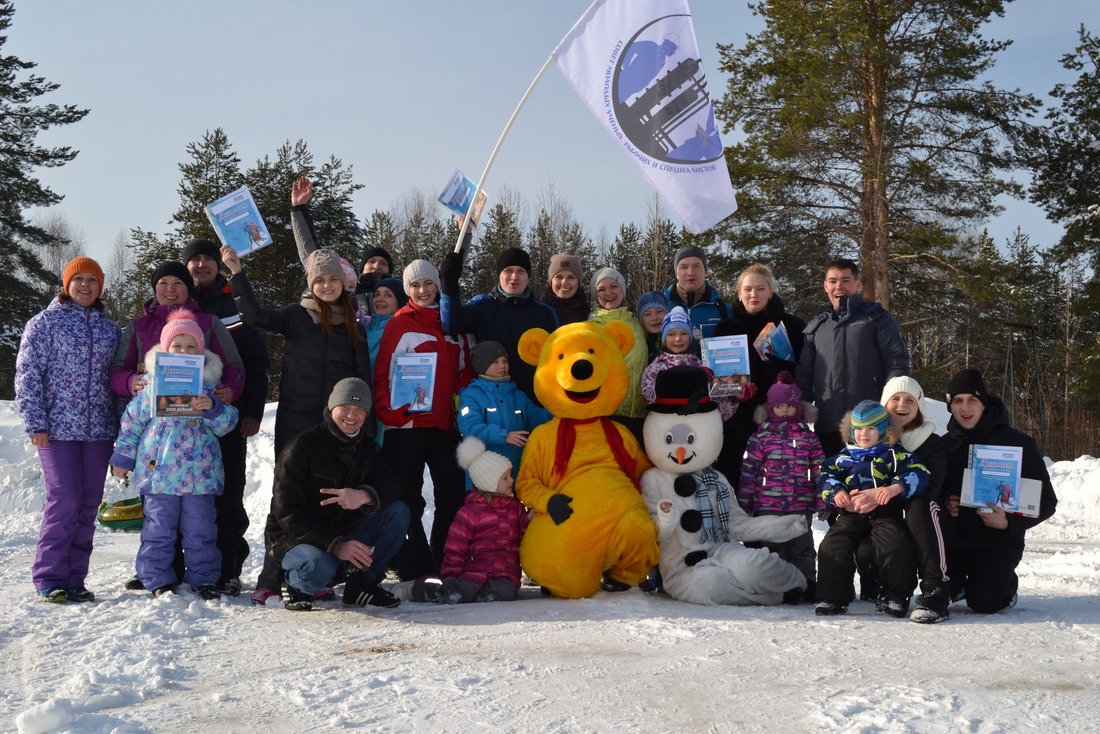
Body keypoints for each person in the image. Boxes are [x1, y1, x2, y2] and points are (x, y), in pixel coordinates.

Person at [109, 311, 239, 599]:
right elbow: (131, 423)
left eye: (191, 346)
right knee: (158, 530)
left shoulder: (209, 389)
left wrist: (214, 408)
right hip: (159, 475)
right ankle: (156, 578)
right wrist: (122, 458)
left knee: (201, 530)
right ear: (165, 350)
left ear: (202, 352)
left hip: (200, 475)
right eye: (177, 346)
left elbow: (228, 424)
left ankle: (204, 578)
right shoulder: (151, 386)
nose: (184, 351)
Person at [15, 257, 121, 603]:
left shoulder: (110, 330)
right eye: (79, 280)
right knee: (64, 500)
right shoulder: (44, 323)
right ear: (66, 284)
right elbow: (28, 375)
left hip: (99, 432)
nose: (86, 285)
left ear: (101, 286)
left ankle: (75, 578)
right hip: (56, 430)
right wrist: (36, 422)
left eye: (93, 280)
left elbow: (115, 381)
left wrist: (121, 428)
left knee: (89, 504)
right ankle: (49, 576)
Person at [268, 378, 410, 611]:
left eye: (359, 410)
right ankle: (295, 584)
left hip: (345, 532)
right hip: (298, 539)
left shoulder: (368, 448)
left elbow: (394, 485)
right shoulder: (302, 447)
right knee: (318, 567)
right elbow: (287, 515)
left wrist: (366, 495)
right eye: (345, 407)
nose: (351, 416)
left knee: (398, 512)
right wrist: (335, 545)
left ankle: (361, 585)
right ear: (332, 407)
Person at [375, 260, 474, 580]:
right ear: (407, 290)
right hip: (407, 425)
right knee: (407, 496)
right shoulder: (398, 324)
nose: (422, 290)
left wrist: (460, 403)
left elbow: (466, 370)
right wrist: (388, 411)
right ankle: (412, 563)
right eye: (415, 285)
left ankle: (444, 557)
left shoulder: (454, 324)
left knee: (451, 494)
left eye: (428, 284)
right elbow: (382, 375)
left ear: (437, 286)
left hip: (445, 425)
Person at [184, 238, 270, 596]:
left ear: (218, 265)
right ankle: (178, 566)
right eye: (195, 260)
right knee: (180, 494)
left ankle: (230, 567)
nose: (201, 265)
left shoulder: (232, 303)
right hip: (180, 420)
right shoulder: (177, 301)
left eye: (207, 259)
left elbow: (256, 360)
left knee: (228, 491)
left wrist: (252, 411)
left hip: (228, 417)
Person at [940, 368, 1058, 614]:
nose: (965, 408)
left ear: (984, 404)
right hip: (955, 541)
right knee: (945, 589)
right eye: (958, 401)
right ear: (950, 406)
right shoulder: (943, 446)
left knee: (984, 603)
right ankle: (957, 583)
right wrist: (946, 502)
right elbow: (928, 494)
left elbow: (1047, 501)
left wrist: (1007, 522)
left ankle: (1007, 585)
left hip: (998, 542)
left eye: (973, 400)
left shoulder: (1018, 443)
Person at [815, 400, 930, 618]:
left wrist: (896, 488)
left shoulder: (893, 454)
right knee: (833, 544)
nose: (863, 434)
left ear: (883, 430)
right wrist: (836, 492)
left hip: (885, 512)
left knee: (896, 543)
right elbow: (825, 477)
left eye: (870, 429)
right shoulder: (843, 457)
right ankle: (832, 597)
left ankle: (895, 596)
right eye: (858, 429)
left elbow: (919, 471)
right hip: (852, 513)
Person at [795, 258, 910, 456]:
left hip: (871, 427)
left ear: (857, 283)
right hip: (829, 426)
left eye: (845, 280)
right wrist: (797, 417)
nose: (838, 286)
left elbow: (897, 363)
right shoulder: (817, 328)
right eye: (832, 281)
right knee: (833, 484)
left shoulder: (877, 319)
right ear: (825, 286)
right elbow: (804, 377)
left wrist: (891, 407)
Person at [398, 437, 529, 604]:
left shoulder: (515, 507)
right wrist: (451, 575)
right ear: (488, 482)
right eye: (505, 478)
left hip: (505, 574)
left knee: (505, 592)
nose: (511, 480)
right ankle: (422, 590)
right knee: (459, 592)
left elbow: (524, 536)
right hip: (474, 572)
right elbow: (455, 546)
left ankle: (479, 596)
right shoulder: (470, 512)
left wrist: (529, 522)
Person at [713, 263, 807, 483]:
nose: (753, 294)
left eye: (760, 288)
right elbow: (717, 380)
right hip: (736, 421)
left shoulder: (792, 326)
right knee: (735, 478)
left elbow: (806, 370)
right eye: (747, 289)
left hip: (780, 417)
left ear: (771, 292)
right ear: (739, 293)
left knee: (779, 480)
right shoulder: (724, 330)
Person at [738, 371, 825, 602]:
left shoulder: (809, 438)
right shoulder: (760, 439)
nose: (784, 411)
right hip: (769, 505)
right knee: (775, 550)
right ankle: (782, 587)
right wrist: (745, 503)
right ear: (770, 409)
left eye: (789, 406)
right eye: (779, 407)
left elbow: (819, 470)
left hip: (800, 503)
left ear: (798, 407)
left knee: (802, 548)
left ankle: (807, 585)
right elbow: (749, 472)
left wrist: (822, 499)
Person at [109, 260, 245, 405]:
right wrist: (129, 381)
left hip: (201, 414)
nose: (170, 289)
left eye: (178, 283)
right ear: (155, 288)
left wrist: (230, 389)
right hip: (150, 417)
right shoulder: (138, 327)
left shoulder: (210, 323)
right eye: (163, 283)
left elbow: (234, 365)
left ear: (188, 288)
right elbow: (117, 370)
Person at [440, 242, 559, 403]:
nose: (514, 277)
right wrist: (449, 284)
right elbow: (452, 324)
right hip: (492, 402)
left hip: (534, 402)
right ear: (499, 274)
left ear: (528, 275)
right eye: (508, 271)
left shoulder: (544, 313)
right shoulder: (483, 305)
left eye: (521, 271)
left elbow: (557, 357)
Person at [457, 340, 552, 490]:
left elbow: (537, 419)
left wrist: (556, 404)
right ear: (482, 365)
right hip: (484, 482)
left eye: (505, 361)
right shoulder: (471, 395)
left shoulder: (518, 395)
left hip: (514, 477)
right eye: (495, 362)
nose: (502, 366)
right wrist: (504, 435)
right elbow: (470, 427)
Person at [640, 307, 734, 420]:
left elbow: (721, 413)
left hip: (699, 431)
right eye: (671, 334)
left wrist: (733, 395)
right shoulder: (654, 370)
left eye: (684, 333)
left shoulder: (703, 368)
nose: (678, 339)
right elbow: (652, 406)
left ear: (690, 337)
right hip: (666, 431)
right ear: (664, 339)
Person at [588, 267, 648, 435]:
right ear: (595, 295)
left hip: (641, 412)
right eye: (601, 289)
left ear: (622, 288)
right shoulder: (592, 327)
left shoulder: (637, 322)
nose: (608, 293)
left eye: (613, 286)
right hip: (609, 414)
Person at [365, 276, 408, 444]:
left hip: (388, 402)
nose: (380, 299)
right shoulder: (364, 326)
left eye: (388, 295)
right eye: (377, 294)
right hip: (362, 399)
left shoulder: (402, 329)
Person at [663, 245, 732, 341]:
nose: (690, 272)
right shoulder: (661, 307)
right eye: (684, 267)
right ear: (676, 273)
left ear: (706, 271)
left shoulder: (723, 310)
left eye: (696, 266)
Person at [541, 253, 590, 326]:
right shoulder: (540, 311)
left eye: (571, 277)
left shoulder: (589, 315)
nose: (564, 282)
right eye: (559, 277)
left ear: (578, 282)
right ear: (551, 281)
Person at [636, 290, 671, 362]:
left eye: (659, 312)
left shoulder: (677, 339)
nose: (654, 318)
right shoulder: (639, 345)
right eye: (648, 314)